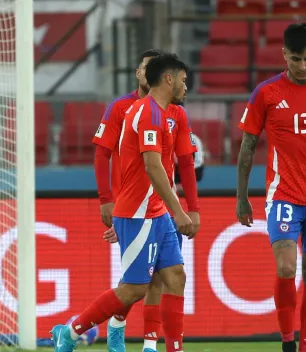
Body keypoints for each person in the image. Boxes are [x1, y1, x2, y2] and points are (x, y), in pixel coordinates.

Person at [52, 53, 192, 352]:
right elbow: (153, 167)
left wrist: (172, 209)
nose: (185, 86)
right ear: (168, 79)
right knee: (135, 288)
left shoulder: (163, 112)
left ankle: (174, 349)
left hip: (157, 211)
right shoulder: (149, 114)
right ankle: (71, 332)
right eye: (183, 80)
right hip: (138, 212)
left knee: (175, 276)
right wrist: (180, 211)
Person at [236, 23, 306, 352]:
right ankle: (287, 342)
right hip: (283, 194)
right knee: (286, 267)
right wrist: (242, 198)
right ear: (284, 55)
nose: (303, 66)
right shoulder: (266, 93)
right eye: (296, 59)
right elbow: (247, 147)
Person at [93, 51, 200, 352]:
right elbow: (102, 154)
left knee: (168, 276)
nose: (144, 73)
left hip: (160, 206)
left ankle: (151, 345)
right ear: (139, 73)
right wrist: (107, 200)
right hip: (131, 206)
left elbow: (186, 163)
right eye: (141, 67)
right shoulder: (123, 108)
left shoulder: (175, 112)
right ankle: (98, 326)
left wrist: (193, 207)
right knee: (136, 284)